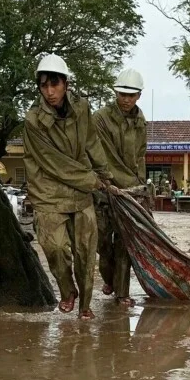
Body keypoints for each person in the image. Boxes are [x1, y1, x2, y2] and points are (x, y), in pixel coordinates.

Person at [23, 54, 108, 320]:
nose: (50, 92)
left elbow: (92, 142)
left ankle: (84, 305)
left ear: (66, 84)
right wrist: (92, 180)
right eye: (44, 86)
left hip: (81, 192)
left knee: (86, 249)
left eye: (55, 85)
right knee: (55, 247)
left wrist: (105, 174)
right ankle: (67, 290)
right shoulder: (33, 121)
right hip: (48, 191)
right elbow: (53, 163)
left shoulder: (82, 108)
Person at [93, 68, 148, 307]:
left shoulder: (140, 121)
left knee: (125, 244)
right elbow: (96, 155)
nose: (126, 99)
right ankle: (110, 279)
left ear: (138, 96)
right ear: (115, 92)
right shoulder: (100, 119)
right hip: (104, 190)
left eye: (131, 95)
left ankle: (122, 292)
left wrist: (142, 187)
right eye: (122, 94)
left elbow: (141, 155)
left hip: (131, 191)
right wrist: (105, 182)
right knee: (102, 244)